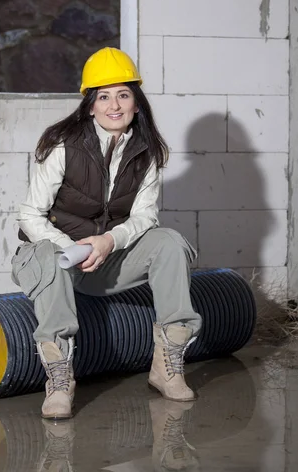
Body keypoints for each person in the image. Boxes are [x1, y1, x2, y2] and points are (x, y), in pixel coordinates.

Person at [12, 47, 202, 420]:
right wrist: (76, 249)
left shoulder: (147, 153)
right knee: (50, 255)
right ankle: (60, 380)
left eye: (123, 94)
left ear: (136, 103)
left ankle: (167, 365)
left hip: (106, 261)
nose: (114, 105)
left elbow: (146, 217)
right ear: (90, 105)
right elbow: (30, 215)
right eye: (103, 96)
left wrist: (108, 241)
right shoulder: (62, 146)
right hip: (52, 260)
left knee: (169, 242)